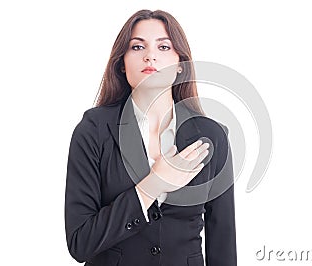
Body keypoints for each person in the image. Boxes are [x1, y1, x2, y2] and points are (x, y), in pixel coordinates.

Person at [65, 9, 237, 266]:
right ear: (122, 63)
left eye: (164, 46)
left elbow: (222, 242)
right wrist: (151, 186)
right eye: (137, 47)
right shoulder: (92, 131)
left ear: (181, 64)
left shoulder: (212, 136)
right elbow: (80, 243)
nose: (150, 55)